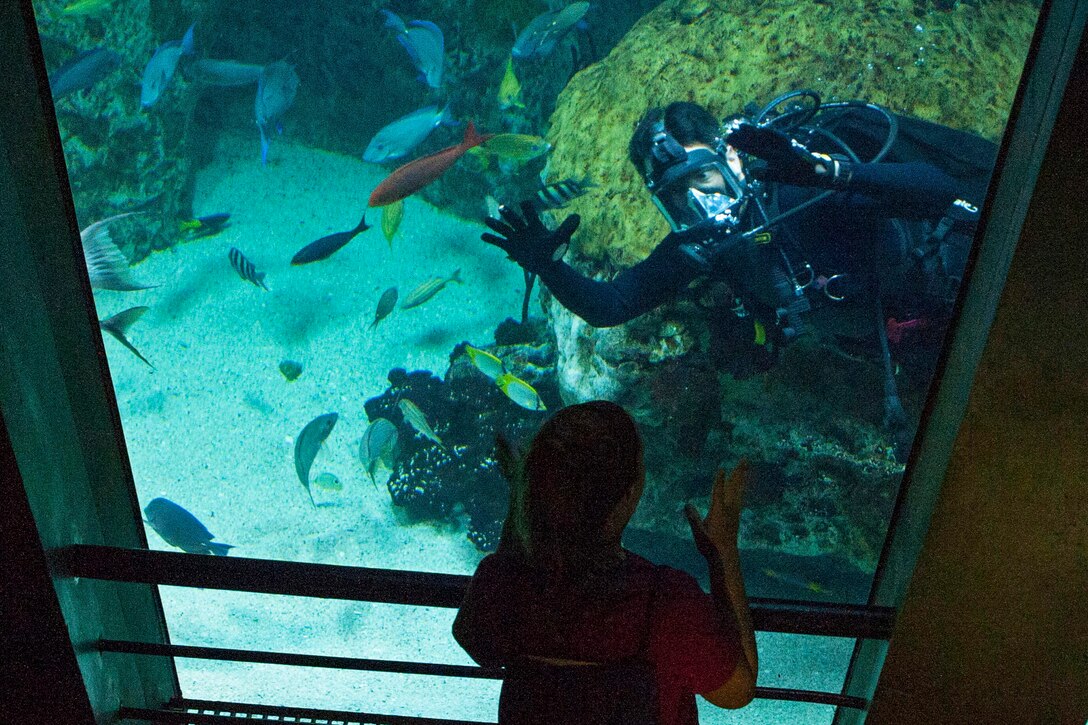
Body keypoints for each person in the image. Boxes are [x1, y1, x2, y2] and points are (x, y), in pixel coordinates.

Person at [481, 97, 986, 439]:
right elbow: (612, 305)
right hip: (920, 350)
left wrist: (826, 170)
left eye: (703, 175)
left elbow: (939, 192)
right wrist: (546, 266)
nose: (700, 201)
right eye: (676, 195)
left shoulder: (798, 182)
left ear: (732, 158)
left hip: (969, 287)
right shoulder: (705, 246)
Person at [452, 401, 758, 724]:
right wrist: (722, 551)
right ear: (628, 496)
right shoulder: (664, 601)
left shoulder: (504, 584)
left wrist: (523, 507)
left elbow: (473, 641)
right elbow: (739, 689)